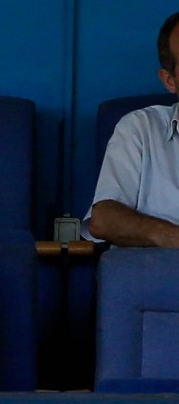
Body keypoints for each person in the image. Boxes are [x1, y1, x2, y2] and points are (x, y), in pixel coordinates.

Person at [84, 12, 179, 247]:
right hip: (158, 269)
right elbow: (104, 220)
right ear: (170, 80)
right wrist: (170, 236)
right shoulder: (140, 129)